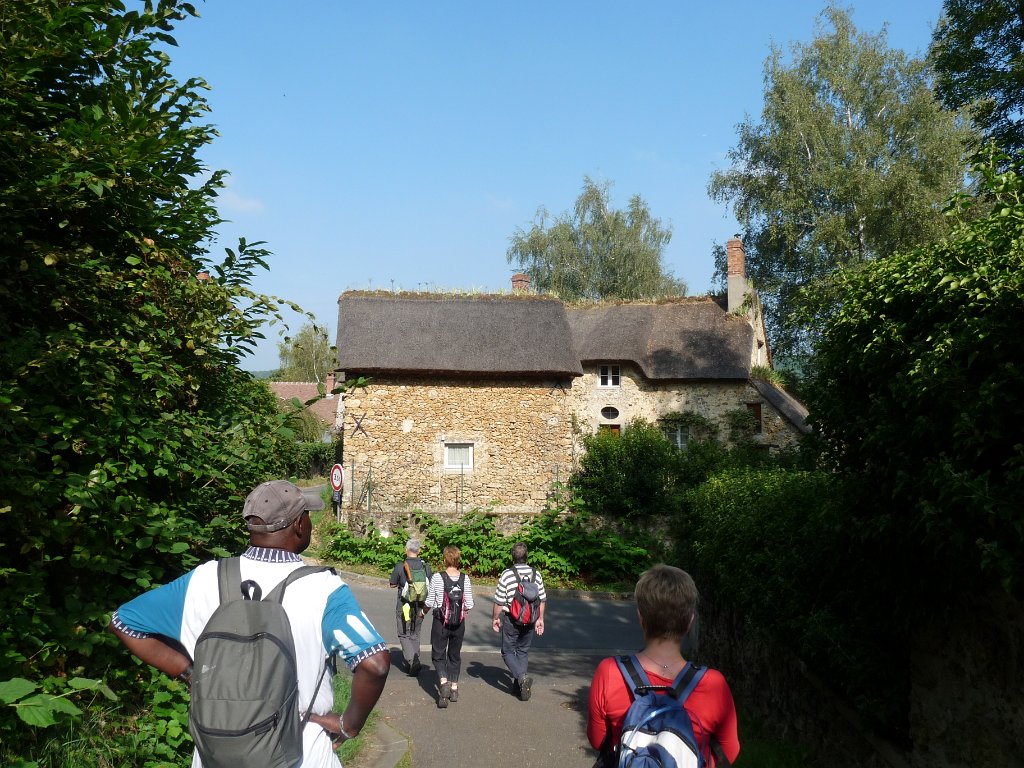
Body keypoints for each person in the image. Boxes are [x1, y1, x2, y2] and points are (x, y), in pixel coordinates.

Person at [109, 479, 391, 768]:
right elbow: (375, 663)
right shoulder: (324, 589)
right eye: (307, 515)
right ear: (298, 525)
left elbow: (124, 622)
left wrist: (189, 673)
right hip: (300, 752)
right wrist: (349, 725)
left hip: (215, 754)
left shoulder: (204, 578)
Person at [587, 564, 739, 767]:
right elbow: (730, 753)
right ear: (689, 622)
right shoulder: (714, 684)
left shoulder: (609, 672)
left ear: (641, 618)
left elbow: (598, 740)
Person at [491, 541, 547, 701]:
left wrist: (495, 618)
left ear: (512, 557)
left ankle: (522, 678)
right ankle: (520, 689)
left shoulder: (507, 574)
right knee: (522, 651)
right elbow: (542, 599)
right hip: (530, 619)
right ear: (527, 556)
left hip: (512, 619)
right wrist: (540, 619)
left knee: (507, 651)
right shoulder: (536, 574)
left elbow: (499, 601)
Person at [424, 544, 474, 708]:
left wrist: (422, 612)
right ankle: (454, 688)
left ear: (445, 559)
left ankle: (443, 682)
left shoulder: (438, 578)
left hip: (441, 622)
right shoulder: (465, 578)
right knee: (454, 655)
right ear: (458, 560)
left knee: (438, 654)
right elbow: (470, 604)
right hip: (459, 623)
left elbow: (430, 601)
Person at [388, 537, 432, 675]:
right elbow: (430, 584)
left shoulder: (400, 566)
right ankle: (414, 659)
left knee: (403, 633)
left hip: (404, 605)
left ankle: (412, 661)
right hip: (420, 604)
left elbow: (392, 584)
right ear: (419, 551)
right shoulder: (426, 567)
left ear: (406, 550)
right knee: (415, 632)